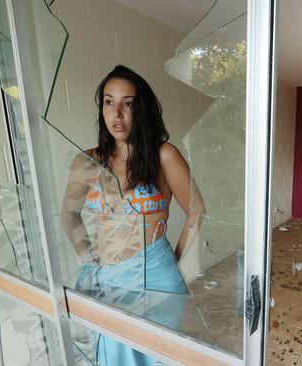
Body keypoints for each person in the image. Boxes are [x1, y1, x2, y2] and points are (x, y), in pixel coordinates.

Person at [61, 65, 204, 365]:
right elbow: (69, 214)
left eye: (128, 104)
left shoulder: (164, 155)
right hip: (107, 281)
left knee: (162, 357)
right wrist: (87, 255)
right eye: (109, 102)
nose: (117, 114)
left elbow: (196, 211)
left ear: (141, 109)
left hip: (156, 279)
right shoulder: (87, 161)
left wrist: (172, 259)